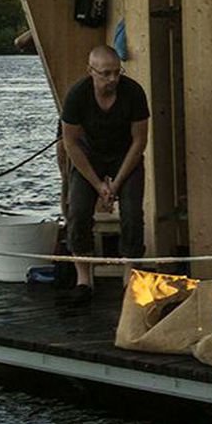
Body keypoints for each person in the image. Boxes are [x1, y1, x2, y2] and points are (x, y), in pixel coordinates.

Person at [60, 44, 147, 286]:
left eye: (117, 72)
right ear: (91, 71)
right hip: (89, 155)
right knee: (77, 211)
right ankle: (83, 279)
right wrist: (98, 185)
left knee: (131, 213)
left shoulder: (133, 92)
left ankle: (130, 276)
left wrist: (116, 183)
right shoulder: (77, 95)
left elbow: (140, 141)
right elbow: (71, 144)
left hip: (125, 154)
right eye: (106, 73)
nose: (113, 79)